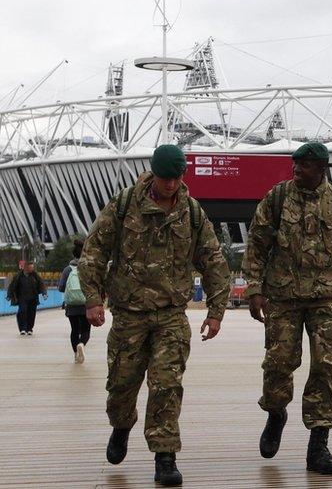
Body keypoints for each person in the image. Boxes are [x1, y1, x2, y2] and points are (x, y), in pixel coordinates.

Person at [79, 144, 230, 487]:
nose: (172, 185)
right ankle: (121, 425)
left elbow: (214, 262)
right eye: (166, 178)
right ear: (153, 174)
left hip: (171, 315)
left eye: (177, 178)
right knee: (122, 384)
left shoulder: (192, 213)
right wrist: (92, 299)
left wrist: (216, 310)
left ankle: (165, 456)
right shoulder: (123, 206)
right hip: (129, 315)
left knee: (167, 384)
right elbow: (94, 251)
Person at [243, 142, 332, 475]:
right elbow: (257, 245)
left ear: (321, 169)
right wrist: (254, 290)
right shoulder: (276, 199)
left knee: (325, 368)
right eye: (295, 164)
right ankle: (276, 414)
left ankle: (318, 445)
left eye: (304, 165)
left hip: (326, 298)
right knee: (277, 364)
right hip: (283, 297)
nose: (296, 170)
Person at [58, 239, 90, 363]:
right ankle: (82, 344)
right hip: (86, 304)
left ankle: (76, 354)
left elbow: (61, 288)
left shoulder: (67, 269)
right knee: (85, 330)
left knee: (74, 330)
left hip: (71, 305)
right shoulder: (87, 267)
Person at [7, 261, 47, 335]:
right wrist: (9, 295)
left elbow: (41, 284)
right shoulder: (18, 276)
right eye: (30, 267)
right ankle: (22, 329)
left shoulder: (35, 276)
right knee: (21, 312)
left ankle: (29, 329)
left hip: (33, 298)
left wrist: (44, 293)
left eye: (32, 267)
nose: (32, 269)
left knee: (31, 314)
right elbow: (12, 286)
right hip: (22, 298)